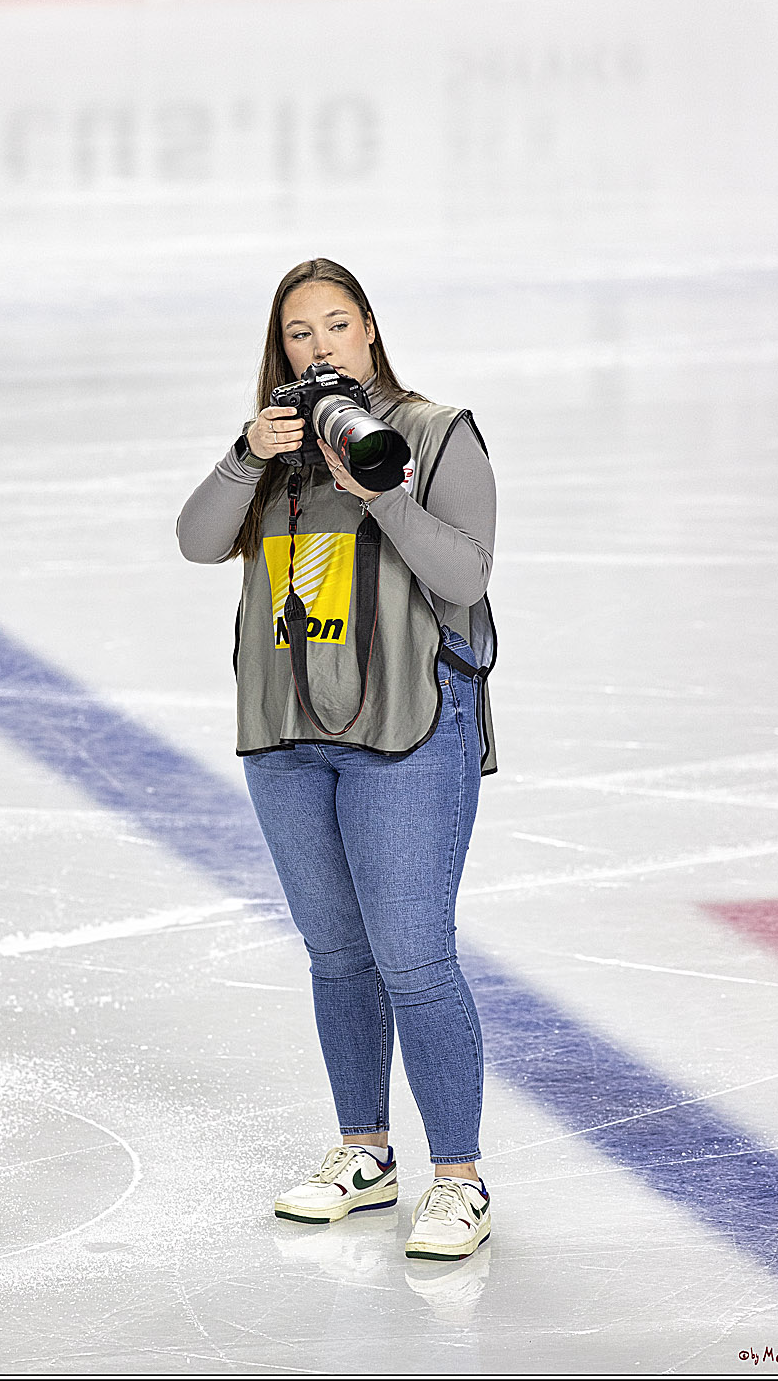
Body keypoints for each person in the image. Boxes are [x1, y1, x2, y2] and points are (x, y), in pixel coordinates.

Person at [177, 257, 497, 1262]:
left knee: (413, 956)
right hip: (288, 734)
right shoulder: (273, 452)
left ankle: (459, 1180)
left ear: (368, 331)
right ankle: (365, 1151)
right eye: (298, 333)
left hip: (404, 733)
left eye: (335, 325)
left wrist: (385, 491)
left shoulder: (438, 431)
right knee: (337, 953)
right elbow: (196, 542)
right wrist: (242, 455)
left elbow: (465, 572)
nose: (318, 347)